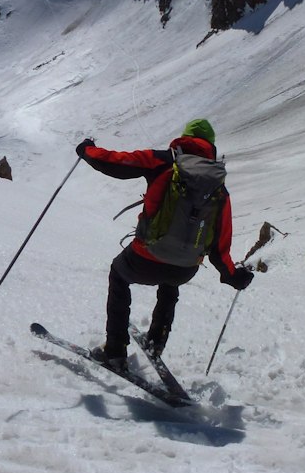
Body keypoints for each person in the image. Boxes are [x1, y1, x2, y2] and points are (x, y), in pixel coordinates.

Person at [75, 119, 253, 370]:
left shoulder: (162, 161)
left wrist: (86, 150)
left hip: (145, 257)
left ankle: (115, 351)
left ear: (185, 138)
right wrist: (233, 276)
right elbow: (220, 244)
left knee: (119, 274)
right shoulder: (218, 187)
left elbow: (115, 162)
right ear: (210, 146)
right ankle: (156, 342)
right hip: (186, 269)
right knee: (170, 284)